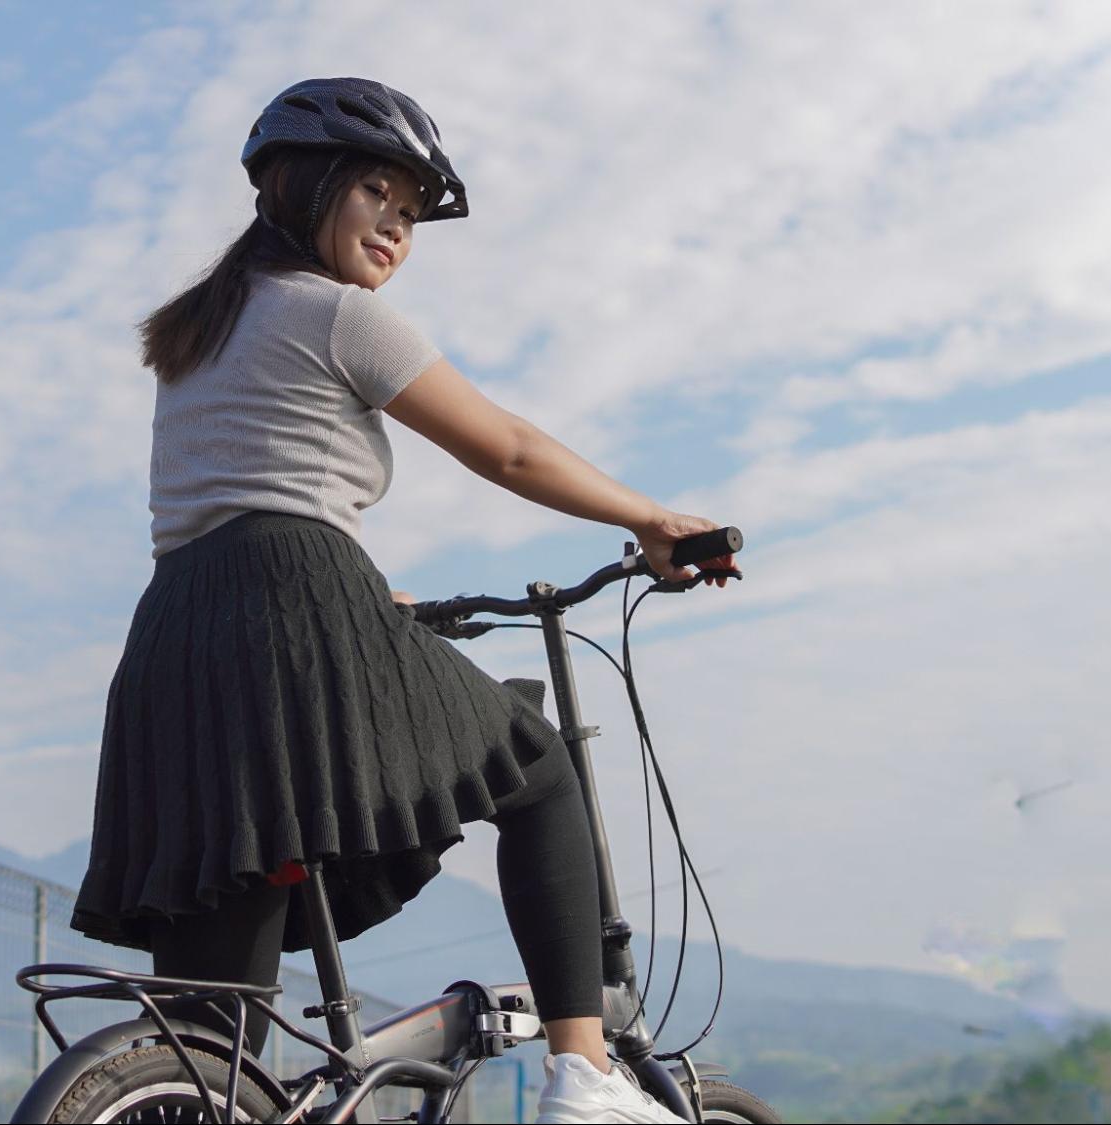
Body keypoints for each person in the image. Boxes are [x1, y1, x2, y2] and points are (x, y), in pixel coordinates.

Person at [71, 76, 729, 1124]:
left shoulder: (195, 336)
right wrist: (654, 521)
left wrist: (368, 595)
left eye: (412, 214)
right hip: (297, 605)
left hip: (182, 640)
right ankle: (584, 1076)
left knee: (217, 1025)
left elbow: (244, 489)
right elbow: (507, 448)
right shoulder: (336, 314)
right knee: (537, 763)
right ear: (303, 185)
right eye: (379, 193)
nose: (396, 227)